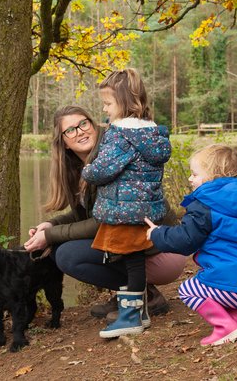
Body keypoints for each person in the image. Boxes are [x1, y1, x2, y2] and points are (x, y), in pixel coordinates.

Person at [22, 105, 185, 327]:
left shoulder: (111, 158)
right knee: (60, 249)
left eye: (83, 124)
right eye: (70, 130)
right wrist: (50, 224)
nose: (79, 132)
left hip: (163, 250)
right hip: (140, 251)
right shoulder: (81, 168)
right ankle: (130, 294)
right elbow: (84, 214)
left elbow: (104, 222)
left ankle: (142, 296)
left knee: (67, 254)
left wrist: (50, 236)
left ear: (93, 124)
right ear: (63, 142)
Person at [145, 144, 237, 346]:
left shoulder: (205, 205)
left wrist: (158, 233)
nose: (190, 178)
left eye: (194, 174)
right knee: (213, 283)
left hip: (231, 287)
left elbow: (186, 239)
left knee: (188, 290)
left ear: (213, 175)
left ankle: (225, 327)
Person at [78, 68, 171, 338]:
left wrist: (87, 171)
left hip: (125, 208)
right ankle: (138, 312)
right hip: (144, 209)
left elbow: (103, 170)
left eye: (108, 103)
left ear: (125, 101)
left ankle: (130, 317)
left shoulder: (121, 134)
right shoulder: (152, 133)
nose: (104, 109)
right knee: (135, 260)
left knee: (130, 261)